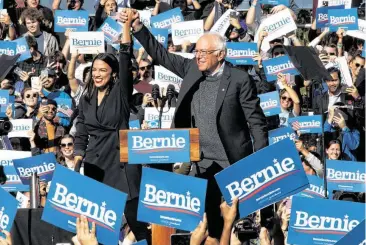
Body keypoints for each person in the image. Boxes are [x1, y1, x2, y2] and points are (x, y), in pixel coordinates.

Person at [122, 9, 268, 240]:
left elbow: (257, 123)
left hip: (232, 162)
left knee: (234, 225)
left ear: (220, 55)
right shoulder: (191, 68)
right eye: (196, 51)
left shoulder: (240, 79)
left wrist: (259, 161)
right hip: (201, 162)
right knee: (208, 224)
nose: (197, 56)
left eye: (204, 52)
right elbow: (161, 55)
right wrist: (138, 27)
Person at [74, 9, 150, 243]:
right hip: (96, 168)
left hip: (122, 167)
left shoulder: (121, 93)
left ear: (114, 74)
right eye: (94, 70)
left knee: (137, 225)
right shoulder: (85, 98)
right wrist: (78, 158)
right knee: (101, 230)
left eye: (102, 71)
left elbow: (125, 55)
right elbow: (82, 132)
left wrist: (126, 25)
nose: (97, 74)